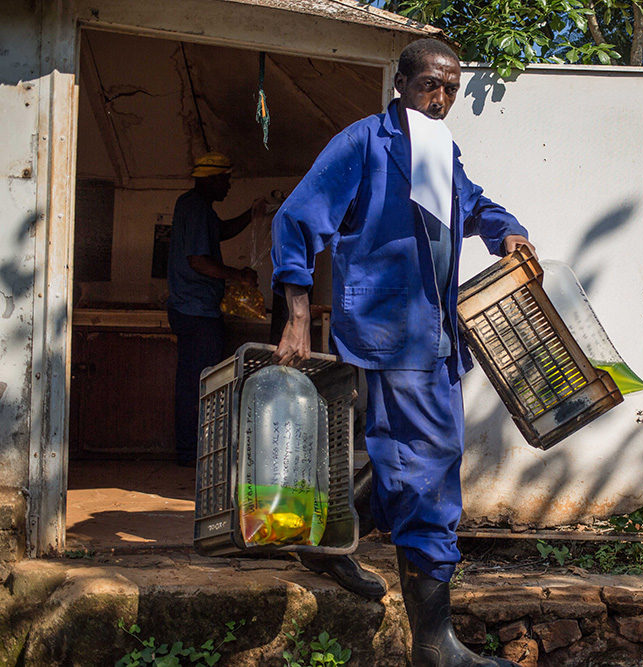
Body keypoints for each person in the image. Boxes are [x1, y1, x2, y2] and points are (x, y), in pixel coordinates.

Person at [271, 39, 533, 667]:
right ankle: (434, 646)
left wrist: (508, 230)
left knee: (402, 456)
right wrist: (299, 315)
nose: (440, 99)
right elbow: (298, 218)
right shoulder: (364, 142)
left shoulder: (443, 151)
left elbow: (472, 204)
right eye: (429, 86)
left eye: (450, 88)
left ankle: (321, 540)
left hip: (438, 336)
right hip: (390, 331)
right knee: (428, 468)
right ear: (401, 85)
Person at [167, 152, 263, 466]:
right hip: (196, 310)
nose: (229, 185)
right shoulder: (195, 208)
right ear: (212, 179)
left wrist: (253, 214)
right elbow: (198, 261)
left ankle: (190, 450)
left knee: (195, 379)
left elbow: (220, 232)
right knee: (200, 381)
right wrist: (240, 276)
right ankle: (191, 453)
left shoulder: (196, 207)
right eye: (225, 179)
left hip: (193, 308)